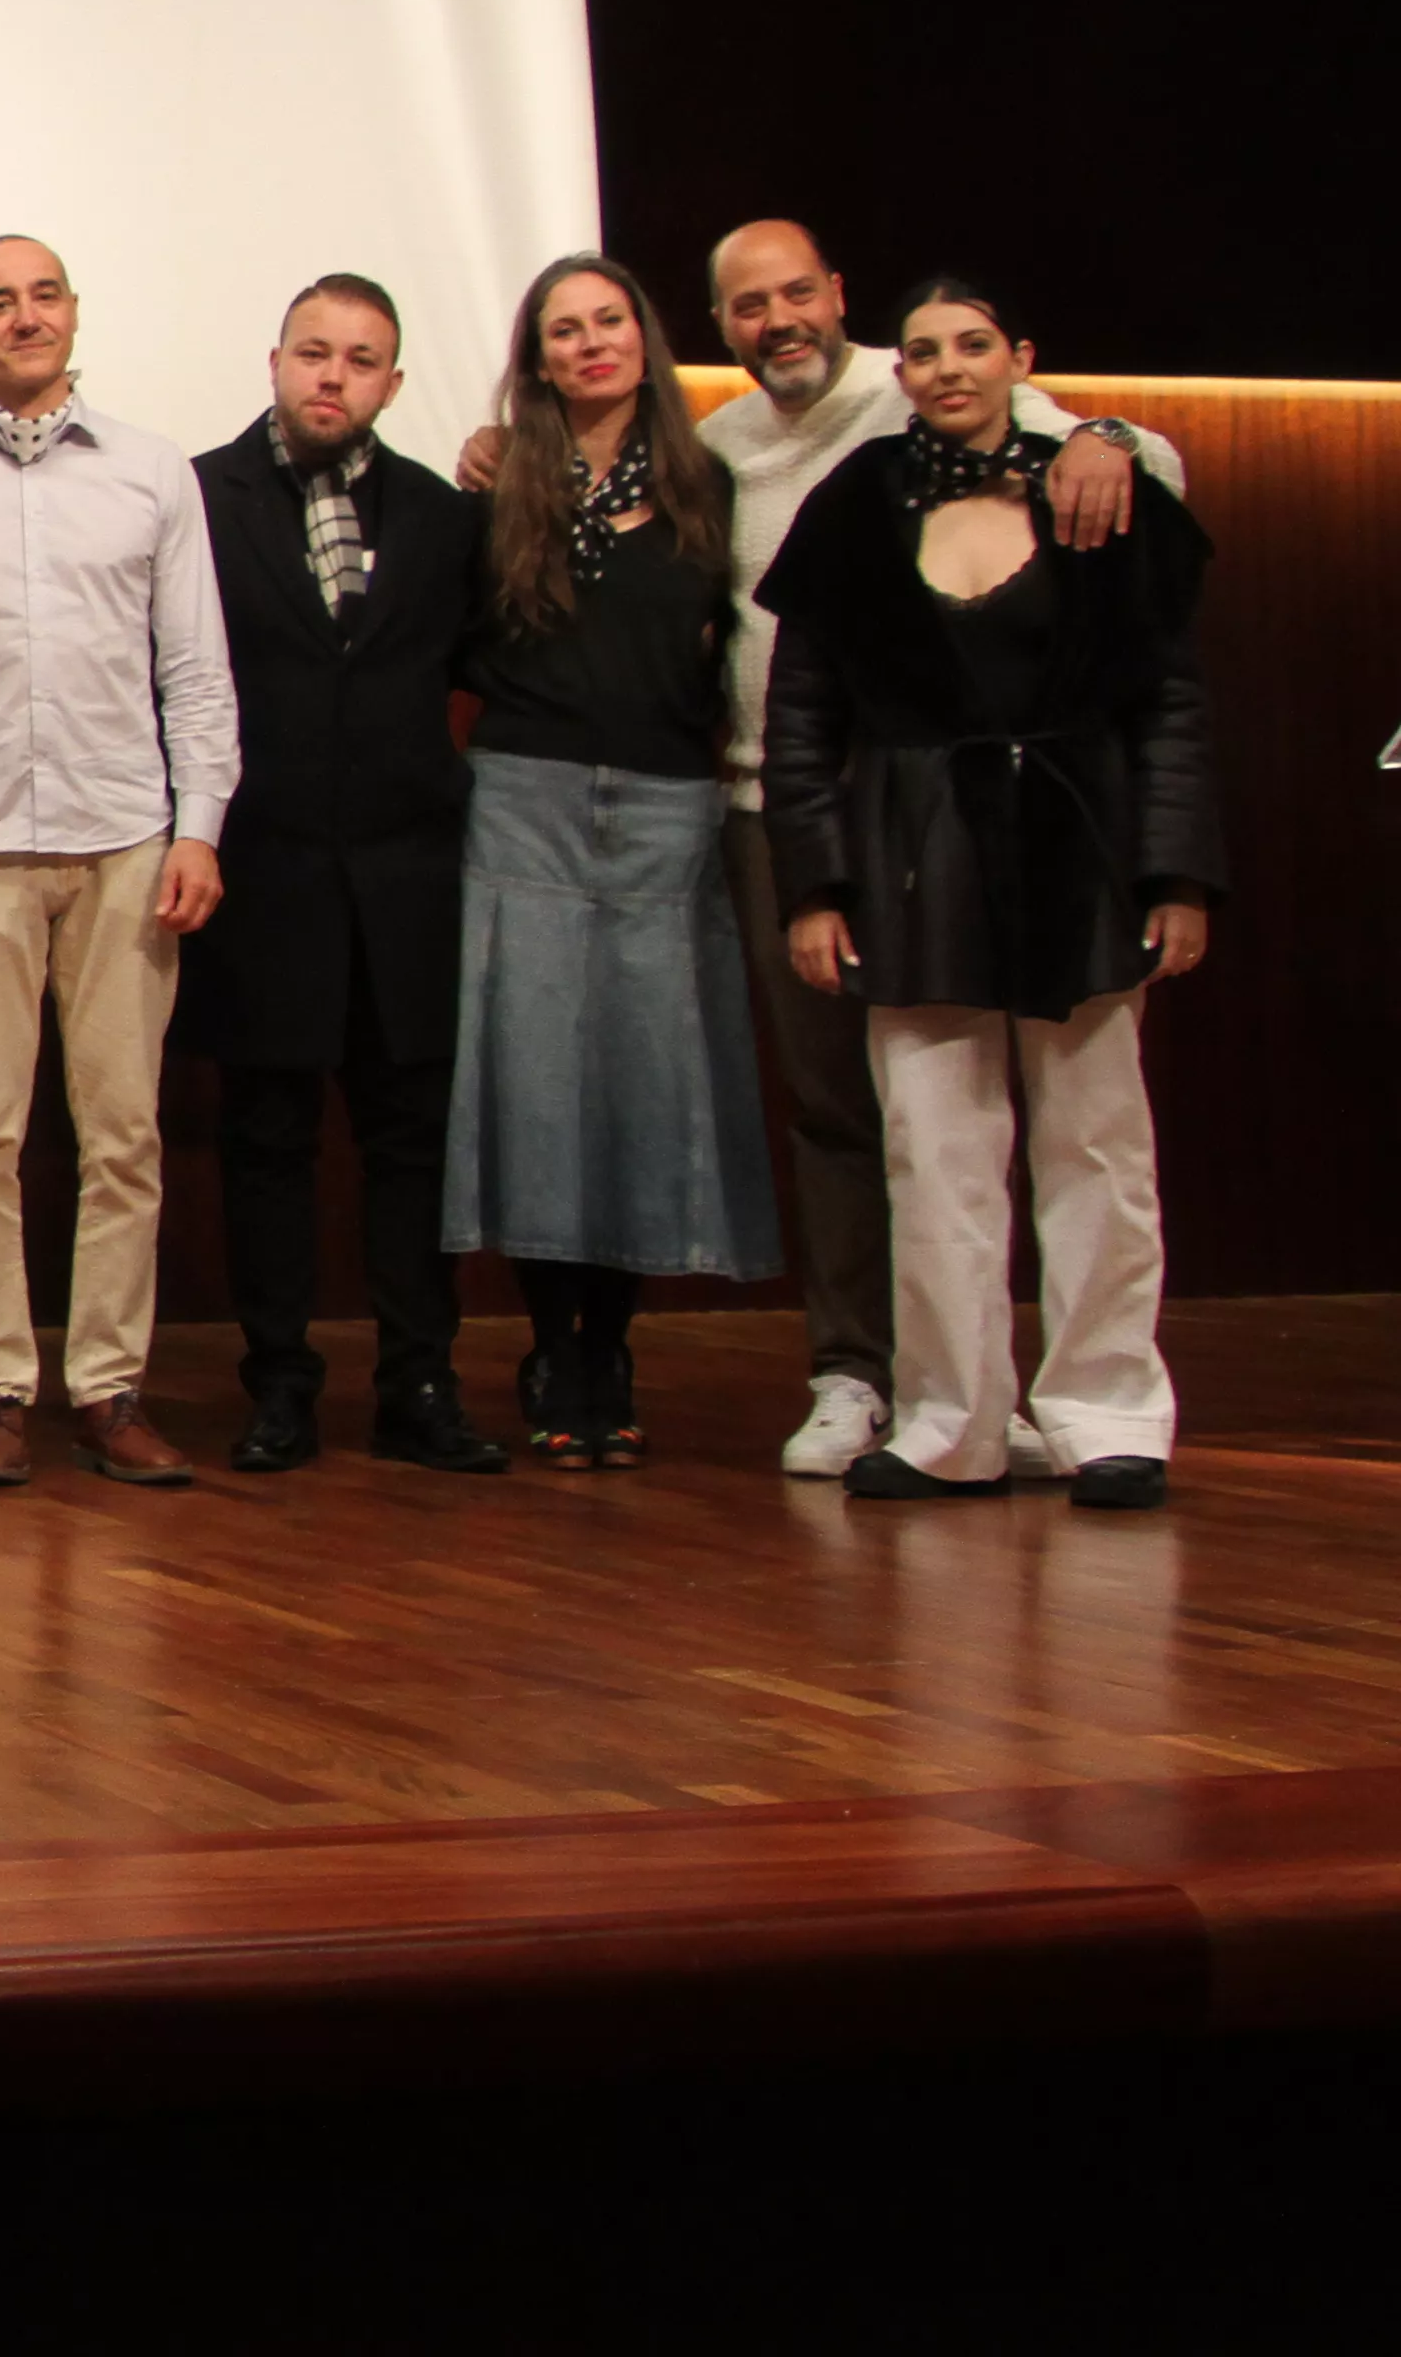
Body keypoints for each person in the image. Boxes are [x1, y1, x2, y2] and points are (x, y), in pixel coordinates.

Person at [682, 222, 1173, 1480]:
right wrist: (819, 886)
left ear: (1020, 359)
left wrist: (1178, 875)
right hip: (906, 850)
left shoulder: (1081, 472)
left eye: (973, 346)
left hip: (1073, 847)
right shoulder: (837, 495)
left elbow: (1167, 695)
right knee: (932, 1148)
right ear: (897, 372)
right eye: (927, 353)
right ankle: (950, 1422)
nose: (950, 369)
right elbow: (800, 711)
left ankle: (1109, 1417)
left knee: (1096, 1143)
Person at [0, 236, 237, 1491]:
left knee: (122, 1132)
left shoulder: (153, 470)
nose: (23, 317)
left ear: (73, 312)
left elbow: (194, 668)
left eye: (43, 296)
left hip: (127, 841)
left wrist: (200, 826)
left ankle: (111, 1388)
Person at [440, 256, 780, 1467]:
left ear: (644, 337)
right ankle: (550, 1348)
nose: (591, 344)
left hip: (668, 808)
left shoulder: (712, 482)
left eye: (609, 322)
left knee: (641, 1083)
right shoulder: (498, 486)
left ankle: (610, 1349)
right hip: (524, 802)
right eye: (564, 330)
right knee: (541, 1086)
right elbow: (460, 648)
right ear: (536, 360)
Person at [174, 278, 509, 1476]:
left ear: (394, 384)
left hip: (408, 884)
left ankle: (420, 1382)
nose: (333, 375)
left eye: (361, 360)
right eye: (314, 352)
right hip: (260, 876)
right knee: (265, 1143)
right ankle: (279, 1386)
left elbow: (483, 666)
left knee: (411, 1147)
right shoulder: (195, 499)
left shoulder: (444, 517)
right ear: (275, 361)